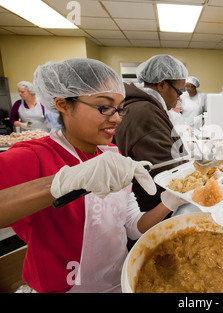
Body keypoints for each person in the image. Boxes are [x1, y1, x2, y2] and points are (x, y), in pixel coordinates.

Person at [0, 58, 185, 293]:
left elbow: (131, 226)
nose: (117, 118)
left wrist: (169, 202)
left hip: (118, 283)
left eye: (120, 108)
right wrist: (60, 183)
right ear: (63, 104)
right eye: (105, 107)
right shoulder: (33, 156)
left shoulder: (112, 155)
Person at [114, 54, 189, 212]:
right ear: (162, 85)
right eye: (179, 92)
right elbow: (166, 168)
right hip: (150, 204)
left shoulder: (140, 105)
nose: (178, 99)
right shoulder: (146, 112)